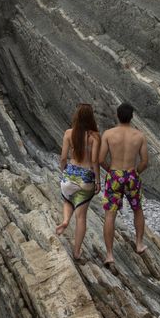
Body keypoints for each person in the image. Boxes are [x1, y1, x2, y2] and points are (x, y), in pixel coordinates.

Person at [99, 103, 148, 270]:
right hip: (131, 174)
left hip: (115, 174)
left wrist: (111, 172)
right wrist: (135, 173)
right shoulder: (139, 135)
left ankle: (109, 255)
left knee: (110, 214)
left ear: (117, 116)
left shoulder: (109, 134)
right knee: (137, 209)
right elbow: (144, 161)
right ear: (132, 116)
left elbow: (100, 159)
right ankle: (139, 243)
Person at [56, 103, 101, 260]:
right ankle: (76, 252)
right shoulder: (95, 136)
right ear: (91, 118)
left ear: (76, 116)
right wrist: (98, 181)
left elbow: (63, 158)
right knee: (81, 216)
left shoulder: (69, 133)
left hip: (70, 175)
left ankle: (65, 220)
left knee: (68, 199)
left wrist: (64, 171)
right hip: (86, 178)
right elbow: (95, 161)